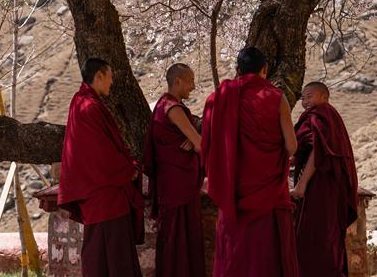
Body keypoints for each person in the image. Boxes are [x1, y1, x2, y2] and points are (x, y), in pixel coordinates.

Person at [201, 46, 300, 276]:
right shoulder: (276, 97)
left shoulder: (218, 99)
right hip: (270, 193)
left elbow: (207, 146)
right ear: (265, 69)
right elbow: (292, 145)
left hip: (232, 194)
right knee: (267, 256)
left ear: (237, 69)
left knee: (235, 257)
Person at [57, 57, 144, 277]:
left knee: (100, 256)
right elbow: (101, 156)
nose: (111, 83)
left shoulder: (81, 102)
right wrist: (129, 168)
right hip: (106, 196)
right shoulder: (89, 107)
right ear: (99, 76)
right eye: (110, 77)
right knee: (115, 258)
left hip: (98, 195)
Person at [143, 63, 205, 277]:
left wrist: (191, 139)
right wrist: (196, 142)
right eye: (190, 81)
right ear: (177, 81)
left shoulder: (162, 104)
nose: (193, 86)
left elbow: (191, 139)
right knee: (180, 238)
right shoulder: (173, 108)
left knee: (174, 238)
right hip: (179, 185)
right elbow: (200, 144)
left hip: (172, 183)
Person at [292, 82, 358, 276]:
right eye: (303, 98)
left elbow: (318, 151)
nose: (305, 102)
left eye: (310, 96)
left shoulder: (321, 115)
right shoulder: (328, 116)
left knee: (313, 238)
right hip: (330, 186)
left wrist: (302, 185)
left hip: (319, 185)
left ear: (324, 97)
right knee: (326, 237)